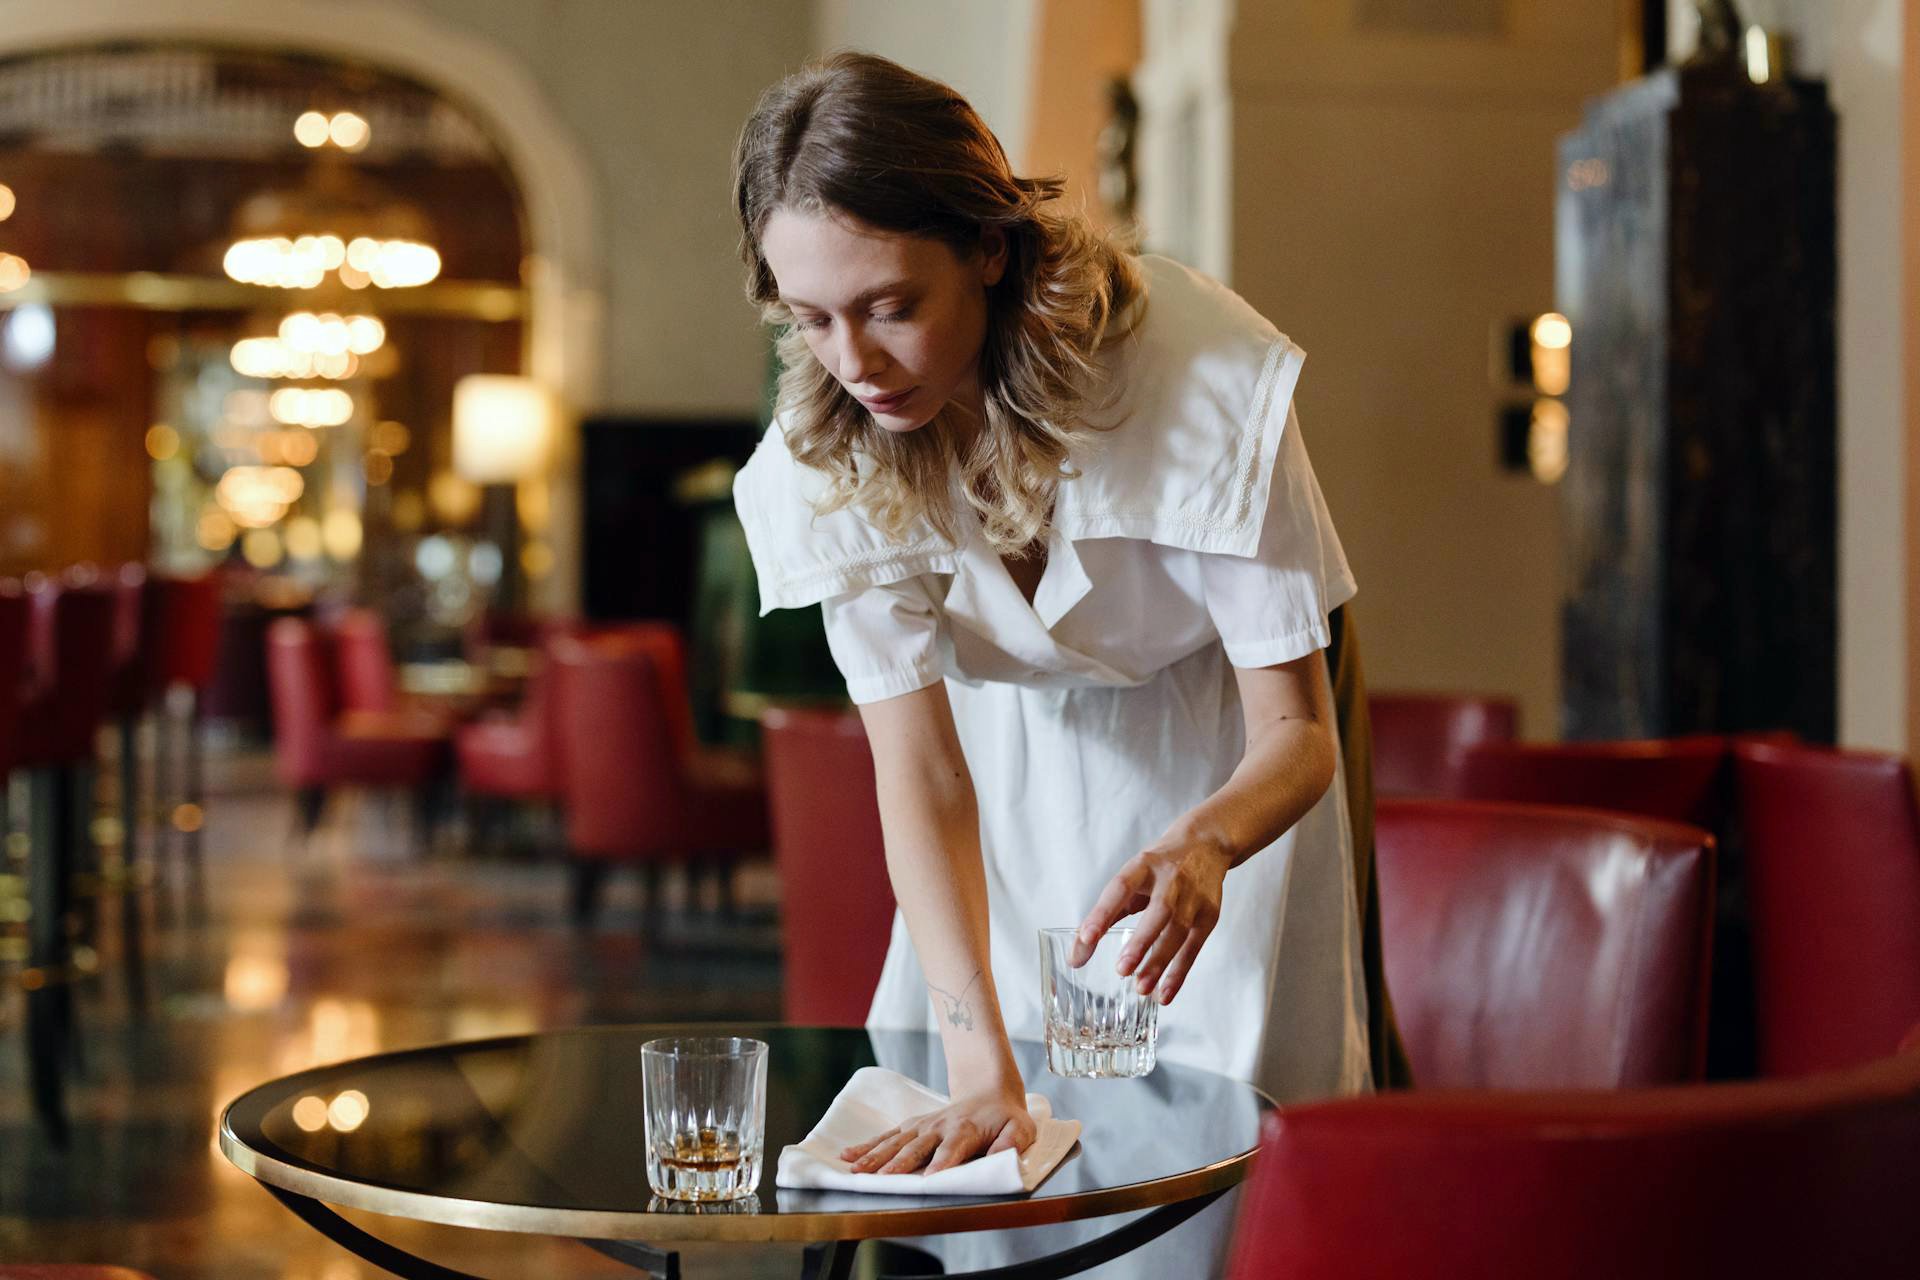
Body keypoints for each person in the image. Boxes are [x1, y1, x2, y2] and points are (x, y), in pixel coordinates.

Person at [730, 51, 1376, 1264]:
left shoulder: (1201, 380)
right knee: (983, 1161)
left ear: (986, 244)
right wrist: (980, 1064)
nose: (853, 361)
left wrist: (1206, 841)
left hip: (1218, 771)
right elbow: (919, 774)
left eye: (888, 304)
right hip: (998, 777)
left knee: (1199, 1190)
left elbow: (1300, 731)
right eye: (810, 317)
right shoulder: (829, 445)